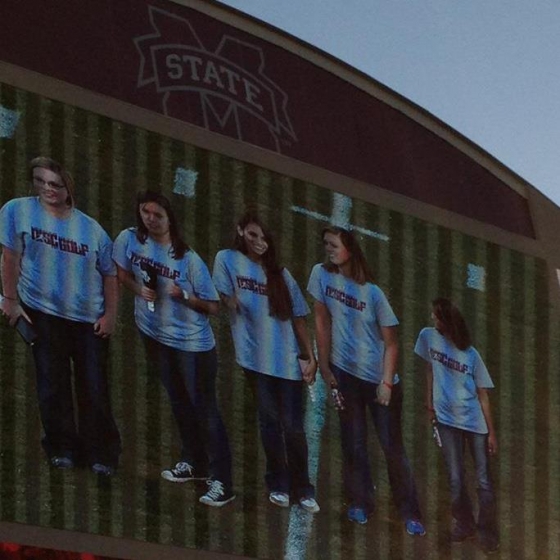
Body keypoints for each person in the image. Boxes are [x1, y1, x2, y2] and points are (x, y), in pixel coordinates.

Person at [112, 190, 234, 507]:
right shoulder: (129, 239)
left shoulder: (188, 260)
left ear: (170, 219)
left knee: (204, 409)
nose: (150, 219)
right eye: (145, 212)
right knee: (180, 402)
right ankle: (195, 462)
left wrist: (184, 297)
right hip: (154, 336)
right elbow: (121, 271)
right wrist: (140, 289)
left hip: (192, 346)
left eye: (158, 215)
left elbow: (214, 306)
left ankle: (224, 480)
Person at [0, 156, 121, 475]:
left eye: (55, 183)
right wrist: (10, 300)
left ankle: (102, 454)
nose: (47, 188)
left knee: (94, 388)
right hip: (43, 315)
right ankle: (62, 448)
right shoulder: (17, 210)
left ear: (69, 188)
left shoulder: (91, 228)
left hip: (87, 320)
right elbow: (10, 257)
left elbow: (109, 274)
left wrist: (110, 316)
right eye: (40, 181)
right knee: (52, 385)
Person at [307, 226, 425, 534]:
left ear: (350, 249)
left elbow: (392, 343)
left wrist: (386, 383)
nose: (328, 250)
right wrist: (326, 367)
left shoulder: (373, 293)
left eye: (333, 245)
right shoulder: (320, 274)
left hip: (377, 381)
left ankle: (410, 511)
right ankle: (360, 501)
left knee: (392, 448)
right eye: (325, 244)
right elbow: (321, 320)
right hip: (345, 375)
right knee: (353, 443)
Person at [212, 211, 320, 513]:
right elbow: (224, 296)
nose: (258, 242)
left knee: (294, 428)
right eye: (252, 235)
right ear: (241, 232)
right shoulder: (227, 260)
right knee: (270, 423)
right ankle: (278, 483)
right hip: (254, 361)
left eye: (263, 237)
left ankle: (304, 488)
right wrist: (230, 301)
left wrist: (309, 356)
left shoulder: (280, 275)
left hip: (286, 364)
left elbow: (299, 318)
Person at [415, 297, 498, 553]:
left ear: (447, 323)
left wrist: (491, 433)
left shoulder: (471, 354)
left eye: (437, 317)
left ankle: (486, 531)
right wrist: (429, 405)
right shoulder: (428, 337)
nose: (432, 320)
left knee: (483, 481)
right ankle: (464, 524)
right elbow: (429, 370)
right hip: (446, 421)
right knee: (455, 478)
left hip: (474, 424)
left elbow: (483, 394)